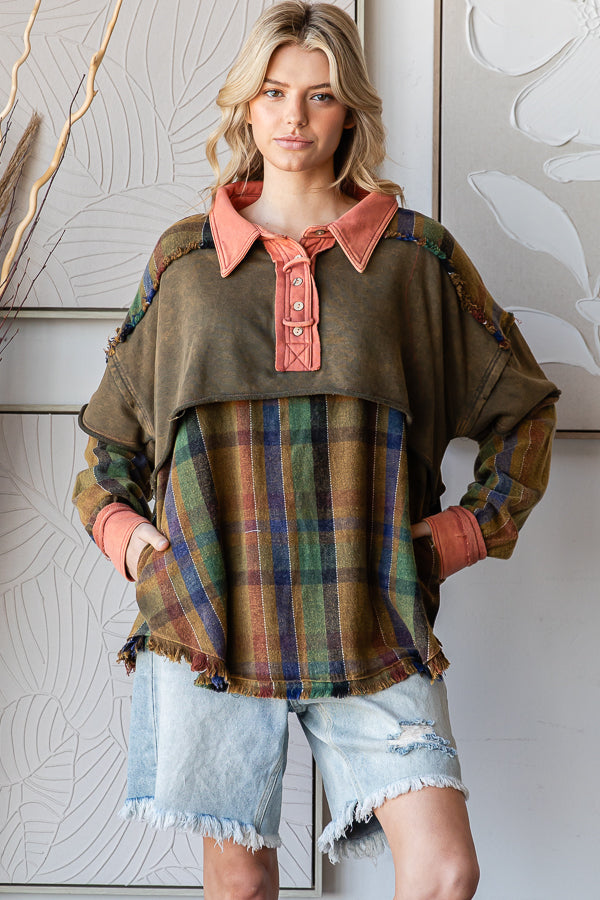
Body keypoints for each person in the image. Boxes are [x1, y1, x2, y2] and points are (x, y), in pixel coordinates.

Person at [73, 3, 558, 898]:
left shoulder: (417, 258)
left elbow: (524, 408)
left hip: (369, 611)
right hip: (211, 616)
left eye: (320, 95)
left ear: (349, 112)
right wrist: (133, 542)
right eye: (273, 92)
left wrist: (459, 535)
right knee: (242, 886)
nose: (293, 116)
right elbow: (109, 442)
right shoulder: (184, 260)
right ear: (246, 106)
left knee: (445, 870)